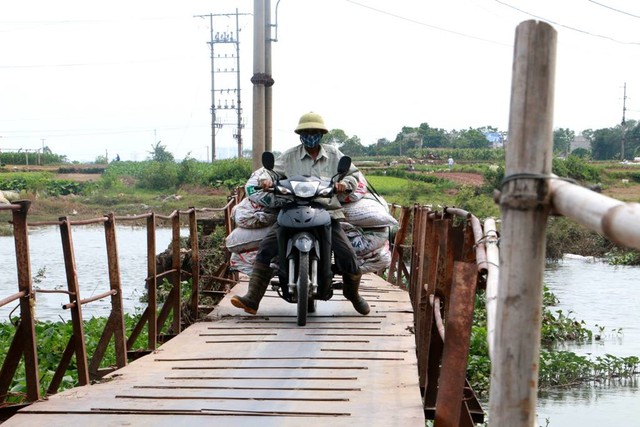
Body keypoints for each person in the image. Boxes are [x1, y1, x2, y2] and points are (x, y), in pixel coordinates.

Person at [230, 112, 370, 316]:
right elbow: (271, 172)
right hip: (291, 209)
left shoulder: (334, 155)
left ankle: (353, 293)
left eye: (314, 132)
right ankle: (253, 297)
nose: (310, 135)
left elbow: (352, 175)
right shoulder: (289, 156)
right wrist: (267, 181)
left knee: (347, 254)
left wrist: (344, 184)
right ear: (300, 135)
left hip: (326, 211)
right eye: (306, 132)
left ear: (321, 134)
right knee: (267, 248)